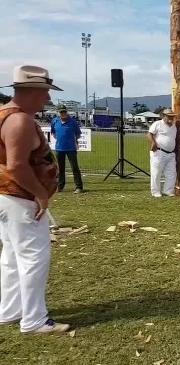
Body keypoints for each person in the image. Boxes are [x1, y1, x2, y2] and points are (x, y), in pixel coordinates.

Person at [0, 65, 70, 334]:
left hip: (8, 196)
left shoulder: (5, 115)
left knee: (12, 255)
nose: (47, 100)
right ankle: (34, 319)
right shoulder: (20, 121)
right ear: (31, 91)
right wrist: (41, 194)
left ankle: (10, 310)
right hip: (20, 197)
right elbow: (17, 166)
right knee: (33, 257)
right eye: (44, 94)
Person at [50, 105, 83, 193]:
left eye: (64, 111)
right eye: (61, 112)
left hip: (71, 148)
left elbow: (78, 134)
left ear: (67, 112)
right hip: (59, 149)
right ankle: (60, 186)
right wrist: (60, 139)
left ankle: (79, 187)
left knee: (75, 168)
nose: (63, 113)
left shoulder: (73, 122)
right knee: (60, 169)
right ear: (58, 112)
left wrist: (74, 141)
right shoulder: (54, 121)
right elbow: (53, 132)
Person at [147, 109, 177, 198]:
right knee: (156, 173)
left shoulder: (174, 126)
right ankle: (155, 192)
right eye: (169, 116)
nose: (171, 118)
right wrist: (153, 143)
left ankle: (168, 190)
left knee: (171, 173)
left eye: (172, 116)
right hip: (159, 152)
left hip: (171, 153)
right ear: (164, 116)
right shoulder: (157, 124)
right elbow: (149, 134)